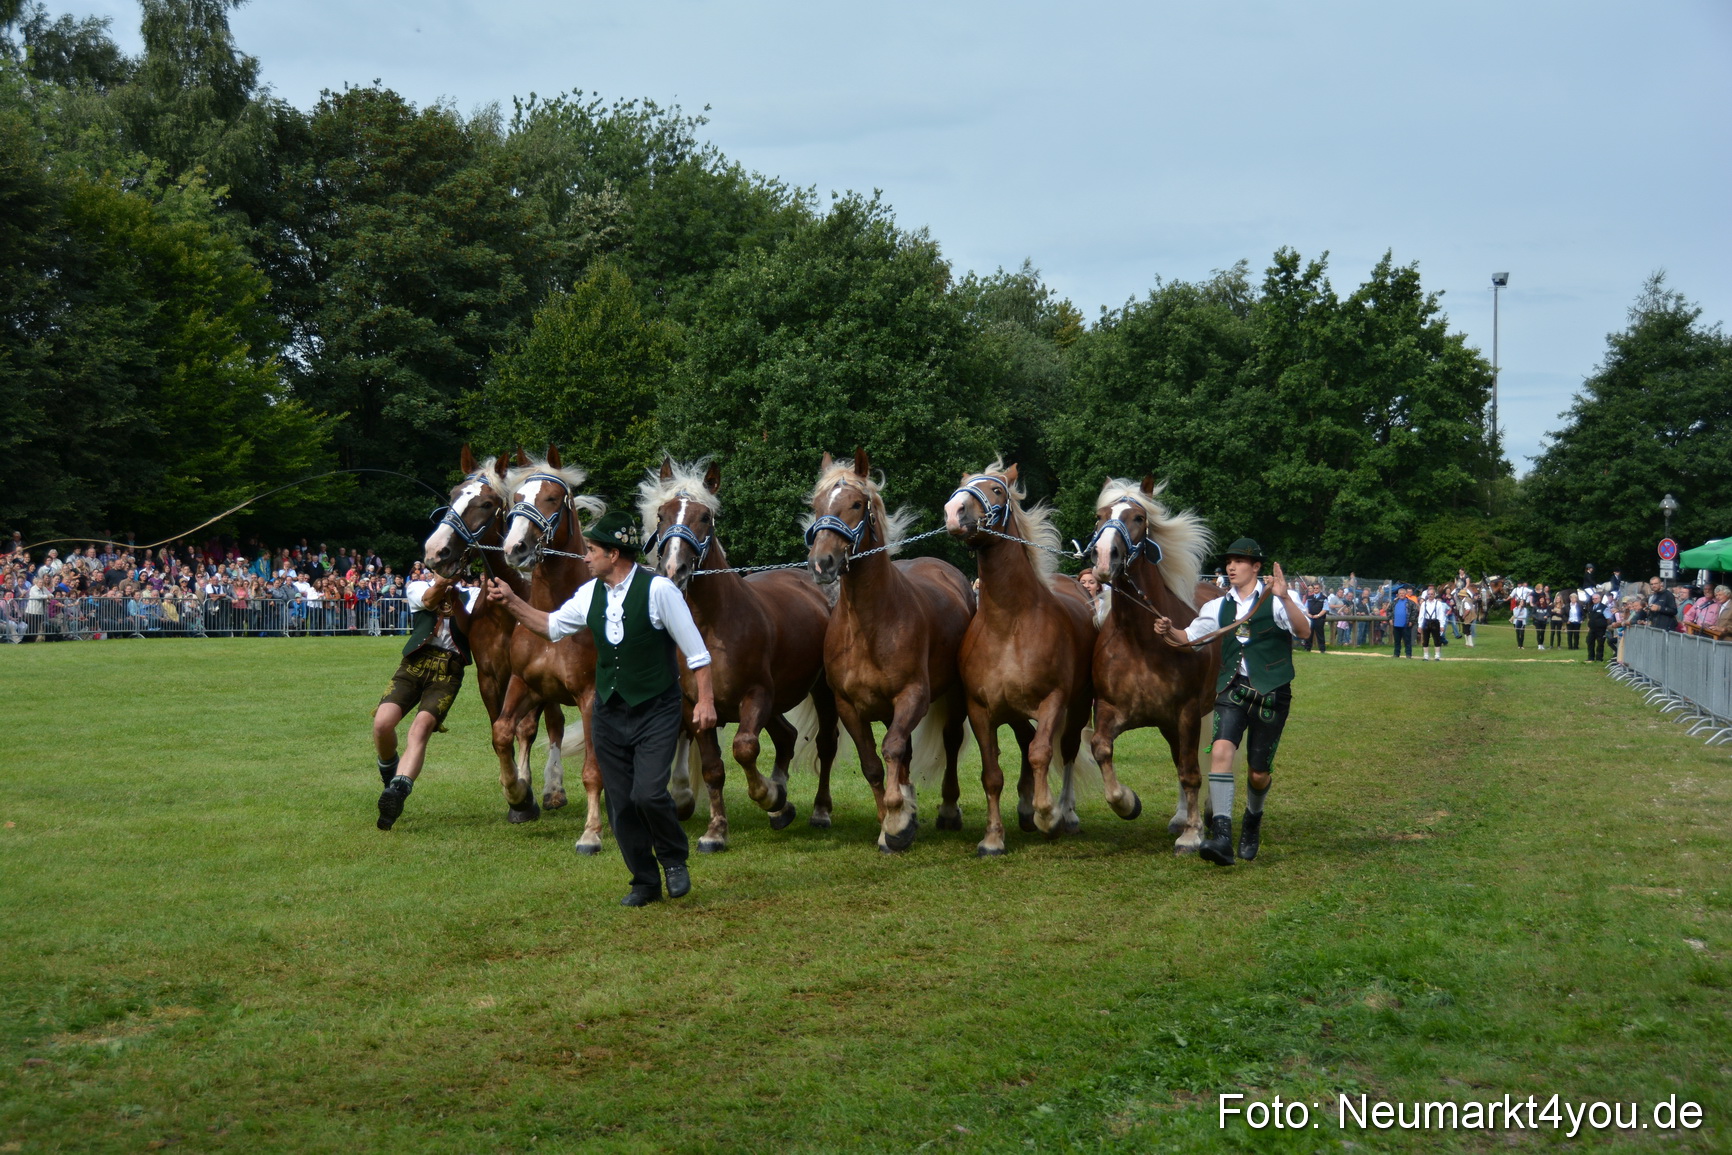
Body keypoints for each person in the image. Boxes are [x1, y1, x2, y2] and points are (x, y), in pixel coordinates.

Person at [485, 511, 716, 907]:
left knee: (647, 794)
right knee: (620, 802)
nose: (585, 557)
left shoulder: (660, 590)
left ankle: (674, 860)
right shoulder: (590, 593)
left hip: (657, 708)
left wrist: (707, 701)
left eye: (591, 550)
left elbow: (696, 652)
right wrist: (510, 601)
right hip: (609, 712)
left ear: (614, 554)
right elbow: (551, 625)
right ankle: (643, 881)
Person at [1150, 537, 1310, 866]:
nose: (1231, 566)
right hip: (1232, 691)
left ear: (1256, 567)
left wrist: (1285, 599)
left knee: (1258, 774)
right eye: (1229, 561)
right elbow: (1189, 638)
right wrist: (1168, 631)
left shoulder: (1279, 598)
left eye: (1239, 561)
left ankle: (1252, 821)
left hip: (1272, 693)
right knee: (1221, 751)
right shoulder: (1216, 607)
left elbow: (1304, 631)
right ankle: (1222, 837)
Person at [373, 571, 476, 831]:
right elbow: (429, 601)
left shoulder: (472, 595)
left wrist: (456, 596)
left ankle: (398, 792)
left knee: (420, 729)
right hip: (413, 664)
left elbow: (467, 628)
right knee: (382, 724)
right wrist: (443, 583)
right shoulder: (418, 586)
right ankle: (390, 771)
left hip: (448, 672)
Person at [1418, 585, 1448, 661]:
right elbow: (1421, 615)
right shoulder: (1424, 604)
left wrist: (1442, 625)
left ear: (1434, 595)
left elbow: (1441, 615)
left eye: (1432, 594)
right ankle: (1426, 656)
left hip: (1435, 622)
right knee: (1425, 639)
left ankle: (1437, 656)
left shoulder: (1438, 603)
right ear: (1427, 595)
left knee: (1437, 639)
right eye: (1429, 594)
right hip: (1426, 622)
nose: (1430, 595)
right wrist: (1420, 625)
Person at [1389, 584, 1415, 658]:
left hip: (1406, 625)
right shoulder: (1394, 602)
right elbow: (1389, 611)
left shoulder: (1410, 603)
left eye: (1403, 593)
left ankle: (1408, 654)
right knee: (1397, 641)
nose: (1402, 595)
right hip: (1396, 624)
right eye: (1400, 594)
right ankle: (1396, 654)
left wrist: (1411, 621)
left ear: (1405, 594)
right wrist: (1390, 618)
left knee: (1407, 641)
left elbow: (1414, 612)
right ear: (1398, 594)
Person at [1302, 582, 1327, 653]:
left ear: (1320, 589)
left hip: (1319, 618)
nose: (1315, 589)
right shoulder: (1309, 598)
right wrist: (1308, 614)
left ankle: (1322, 649)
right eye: (1314, 588)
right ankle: (1307, 648)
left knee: (1320, 634)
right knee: (1309, 634)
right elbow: (1306, 607)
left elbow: (1325, 609)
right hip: (1310, 618)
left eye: (1317, 588)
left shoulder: (1324, 598)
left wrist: (1318, 615)